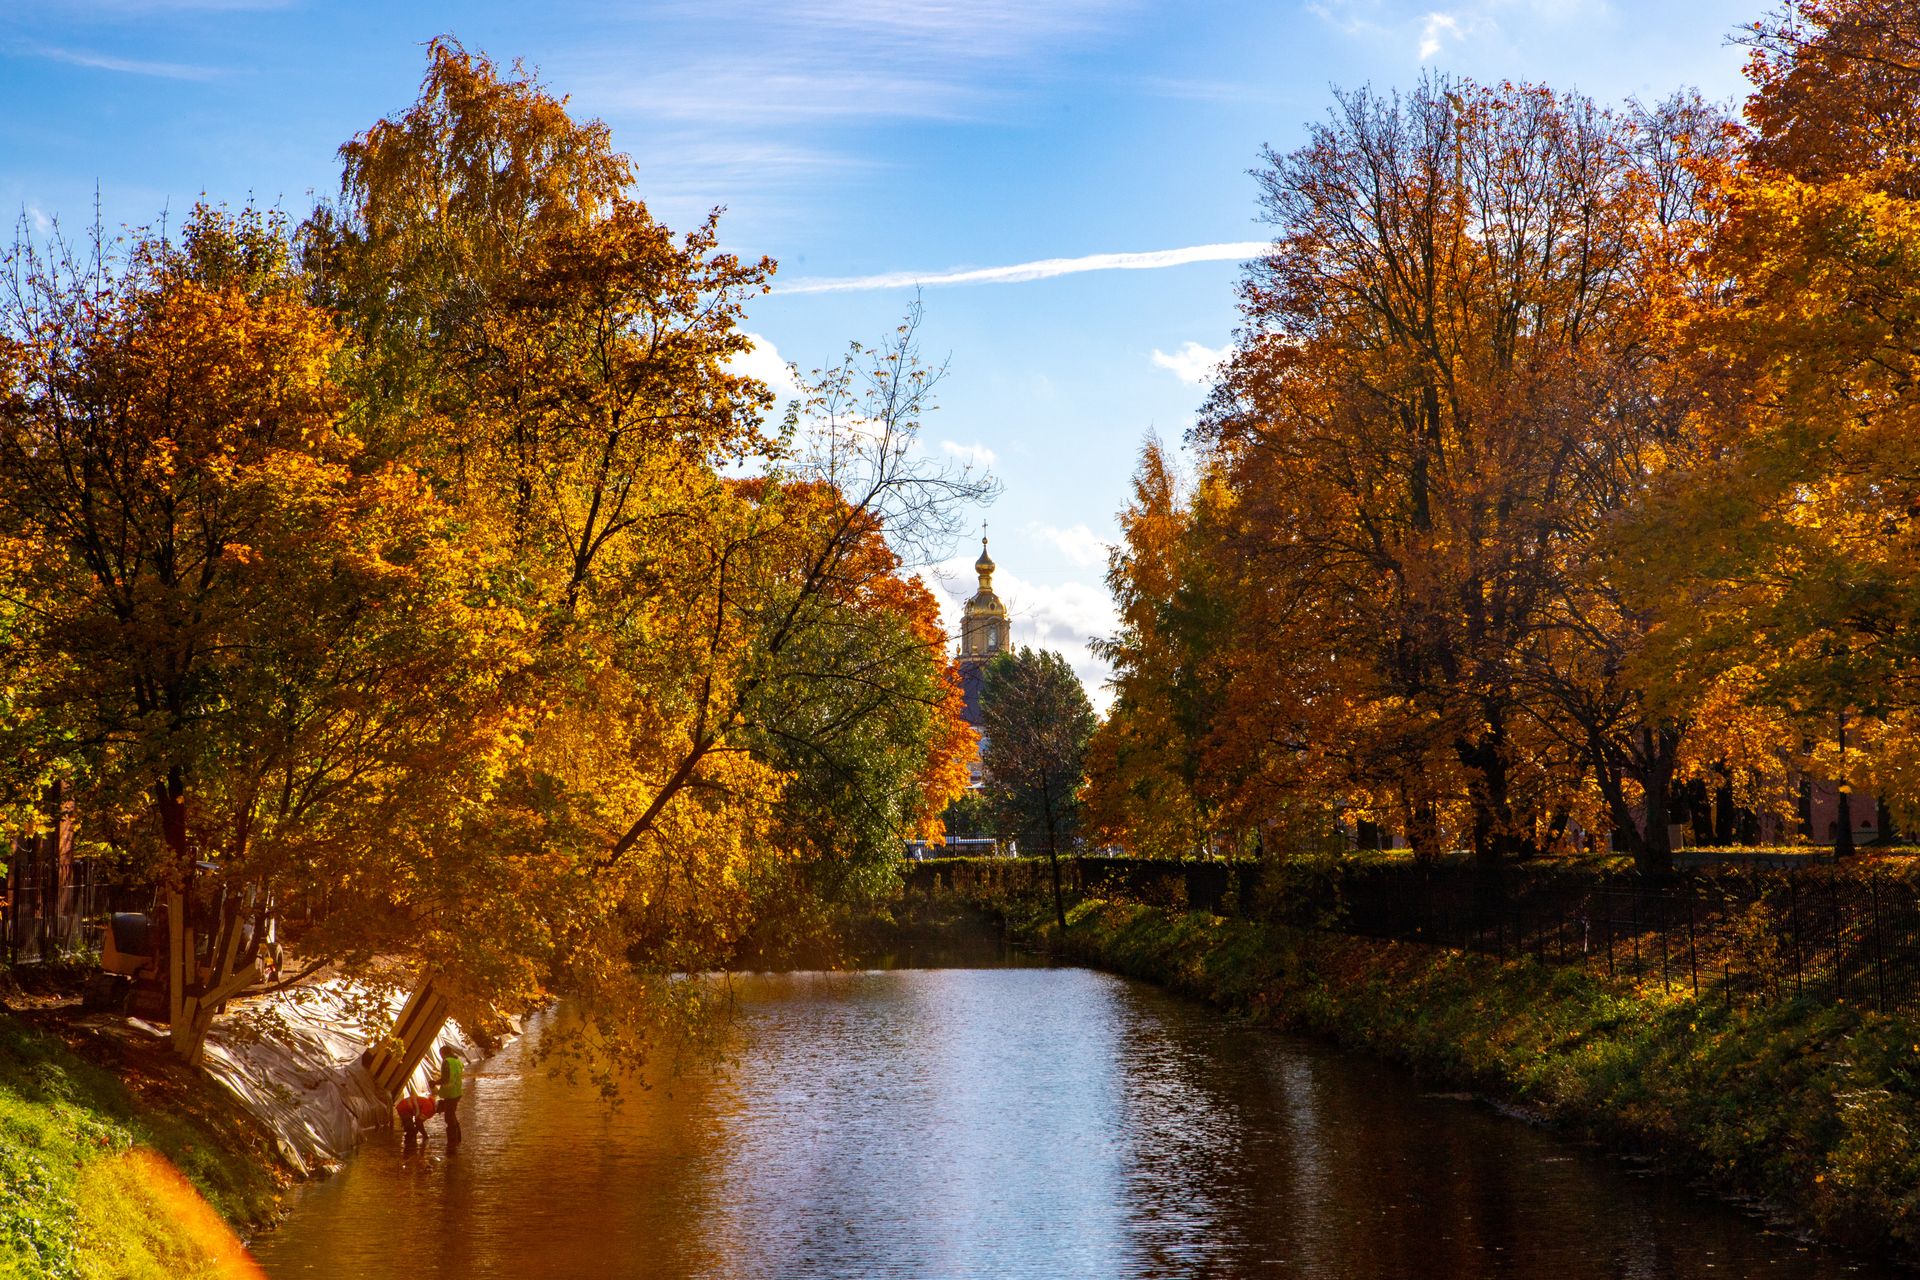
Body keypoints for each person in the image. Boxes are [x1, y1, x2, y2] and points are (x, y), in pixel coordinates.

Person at [434, 1046, 465, 1147]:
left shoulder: (446, 1062)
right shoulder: (457, 1061)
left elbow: (445, 1079)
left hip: (450, 1093)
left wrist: (434, 1083)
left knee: (448, 1117)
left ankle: (452, 1142)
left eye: (441, 1055)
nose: (441, 1057)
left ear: (443, 1053)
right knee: (452, 1114)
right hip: (457, 1092)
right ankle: (458, 1138)